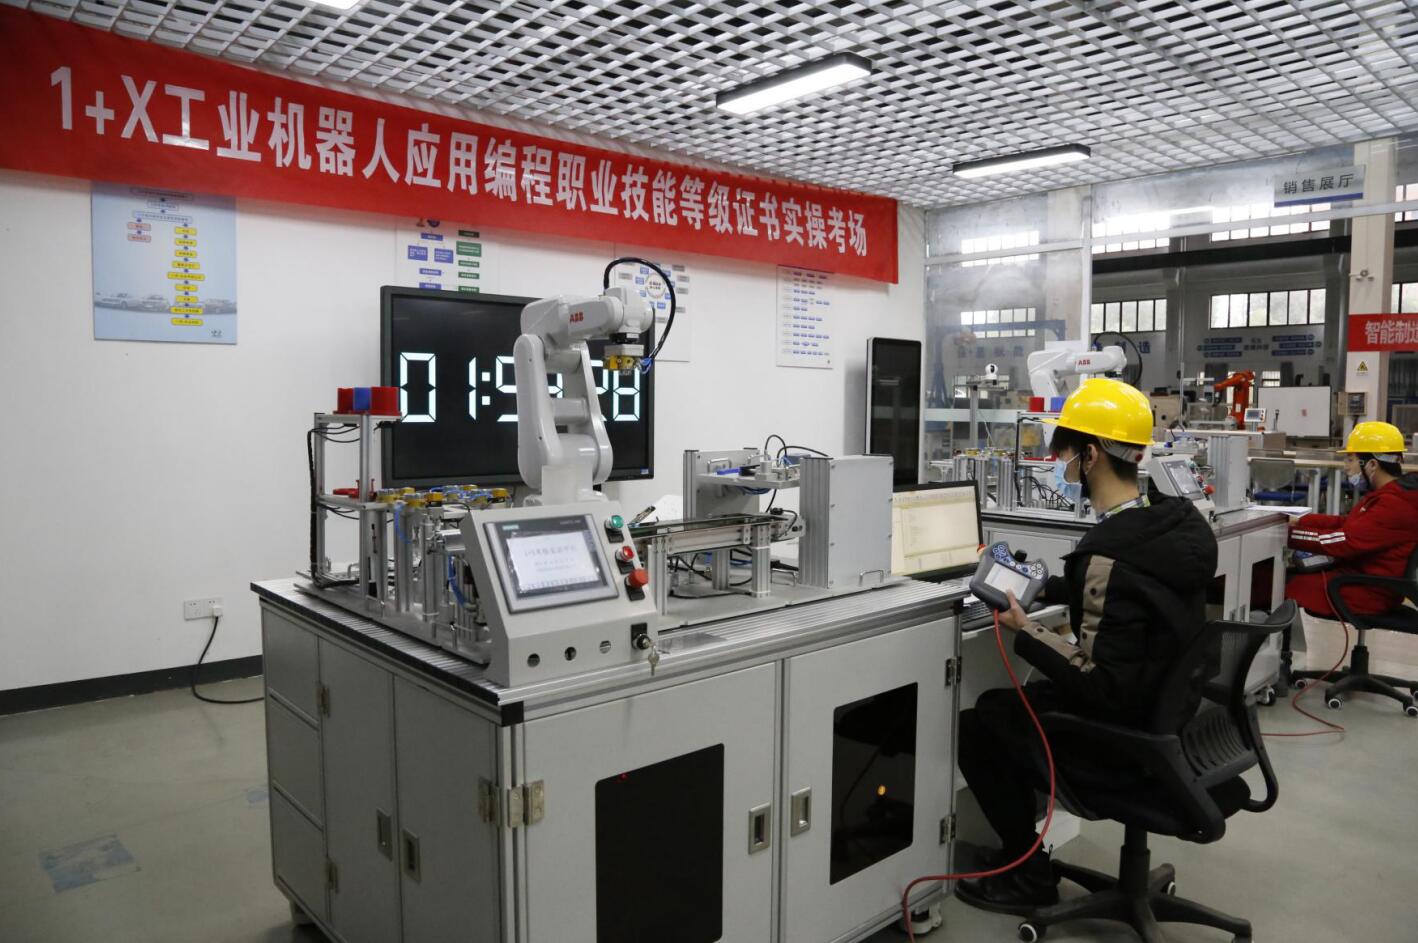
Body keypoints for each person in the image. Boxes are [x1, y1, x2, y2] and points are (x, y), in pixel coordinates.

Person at [954, 378, 1219, 914]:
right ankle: (1022, 856)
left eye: (1065, 453)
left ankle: (1027, 875)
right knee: (1008, 709)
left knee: (983, 723)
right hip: (1173, 716)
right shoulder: (1173, 525)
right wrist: (1054, 585)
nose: (1061, 464)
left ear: (1091, 455)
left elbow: (1102, 685)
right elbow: (1134, 596)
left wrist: (1026, 629)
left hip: (1122, 737)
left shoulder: (1109, 554)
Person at [1287, 421, 1418, 616]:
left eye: (1350, 459)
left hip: (1365, 592)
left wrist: (1287, 534)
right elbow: (1349, 525)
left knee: (1271, 583)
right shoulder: (1391, 495)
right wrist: (1301, 521)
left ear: (1372, 465)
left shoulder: (1393, 504)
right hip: (1360, 580)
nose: (1346, 467)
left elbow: (1345, 541)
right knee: (1277, 577)